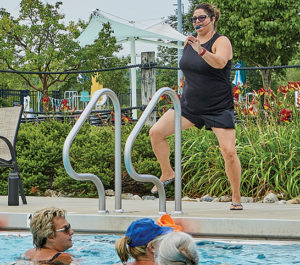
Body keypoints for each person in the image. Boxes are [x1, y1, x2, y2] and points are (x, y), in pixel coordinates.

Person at [149, 2, 242, 210]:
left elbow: (219, 62)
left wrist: (201, 51)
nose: (197, 22)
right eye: (194, 19)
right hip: (189, 106)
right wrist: (194, 48)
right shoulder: (188, 43)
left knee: (228, 151)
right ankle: (167, 172)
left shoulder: (221, 41)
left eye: (201, 18)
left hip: (218, 106)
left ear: (213, 19)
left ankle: (236, 197)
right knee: (156, 133)